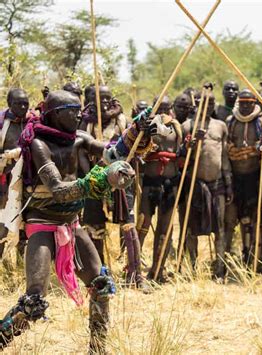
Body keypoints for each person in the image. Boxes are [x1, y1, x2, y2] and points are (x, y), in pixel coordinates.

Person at [0, 90, 157, 352]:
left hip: (71, 223)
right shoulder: (39, 144)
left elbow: (112, 154)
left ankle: (97, 348)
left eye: (79, 110)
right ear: (55, 115)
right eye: (72, 111)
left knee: (101, 284)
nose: (78, 115)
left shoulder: (79, 137)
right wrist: (100, 180)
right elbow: (59, 189)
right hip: (42, 223)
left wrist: (136, 133)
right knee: (34, 301)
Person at [79, 86, 147, 289]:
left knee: (128, 225)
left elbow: (135, 146)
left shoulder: (123, 121)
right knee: (94, 227)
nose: (104, 103)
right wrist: (90, 175)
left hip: (121, 181)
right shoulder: (85, 124)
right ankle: (99, 273)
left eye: (108, 98)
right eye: (100, 98)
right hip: (95, 181)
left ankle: (136, 275)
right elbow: (81, 151)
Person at [181, 89, 233, 280]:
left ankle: (219, 269)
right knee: (191, 228)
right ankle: (192, 268)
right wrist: (193, 145)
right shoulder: (188, 126)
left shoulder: (220, 125)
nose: (209, 105)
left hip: (217, 183)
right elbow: (183, 158)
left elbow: (225, 157)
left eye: (212, 102)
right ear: (198, 103)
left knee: (219, 228)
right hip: (195, 185)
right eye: (205, 102)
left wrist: (228, 183)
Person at [137, 108, 182, 283]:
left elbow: (182, 154)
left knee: (165, 229)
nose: (163, 111)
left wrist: (190, 147)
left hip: (171, 183)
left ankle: (158, 271)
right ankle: (133, 270)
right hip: (150, 182)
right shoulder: (146, 126)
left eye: (166, 107)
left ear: (171, 109)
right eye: (159, 107)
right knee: (142, 225)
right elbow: (137, 149)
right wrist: (143, 131)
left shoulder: (176, 128)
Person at [225, 89, 262, 269]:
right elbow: (228, 149)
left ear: (254, 103)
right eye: (242, 103)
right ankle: (242, 250)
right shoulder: (230, 121)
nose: (245, 106)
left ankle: (255, 254)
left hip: (255, 176)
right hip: (236, 177)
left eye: (248, 103)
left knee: (255, 217)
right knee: (240, 216)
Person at [0, 89, 37, 259]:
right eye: (18, 103)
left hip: (30, 179)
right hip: (5, 181)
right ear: (9, 104)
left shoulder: (35, 122)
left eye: (26, 103)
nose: (23, 107)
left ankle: (24, 263)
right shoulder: (2, 123)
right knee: (2, 220)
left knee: (27, 220)